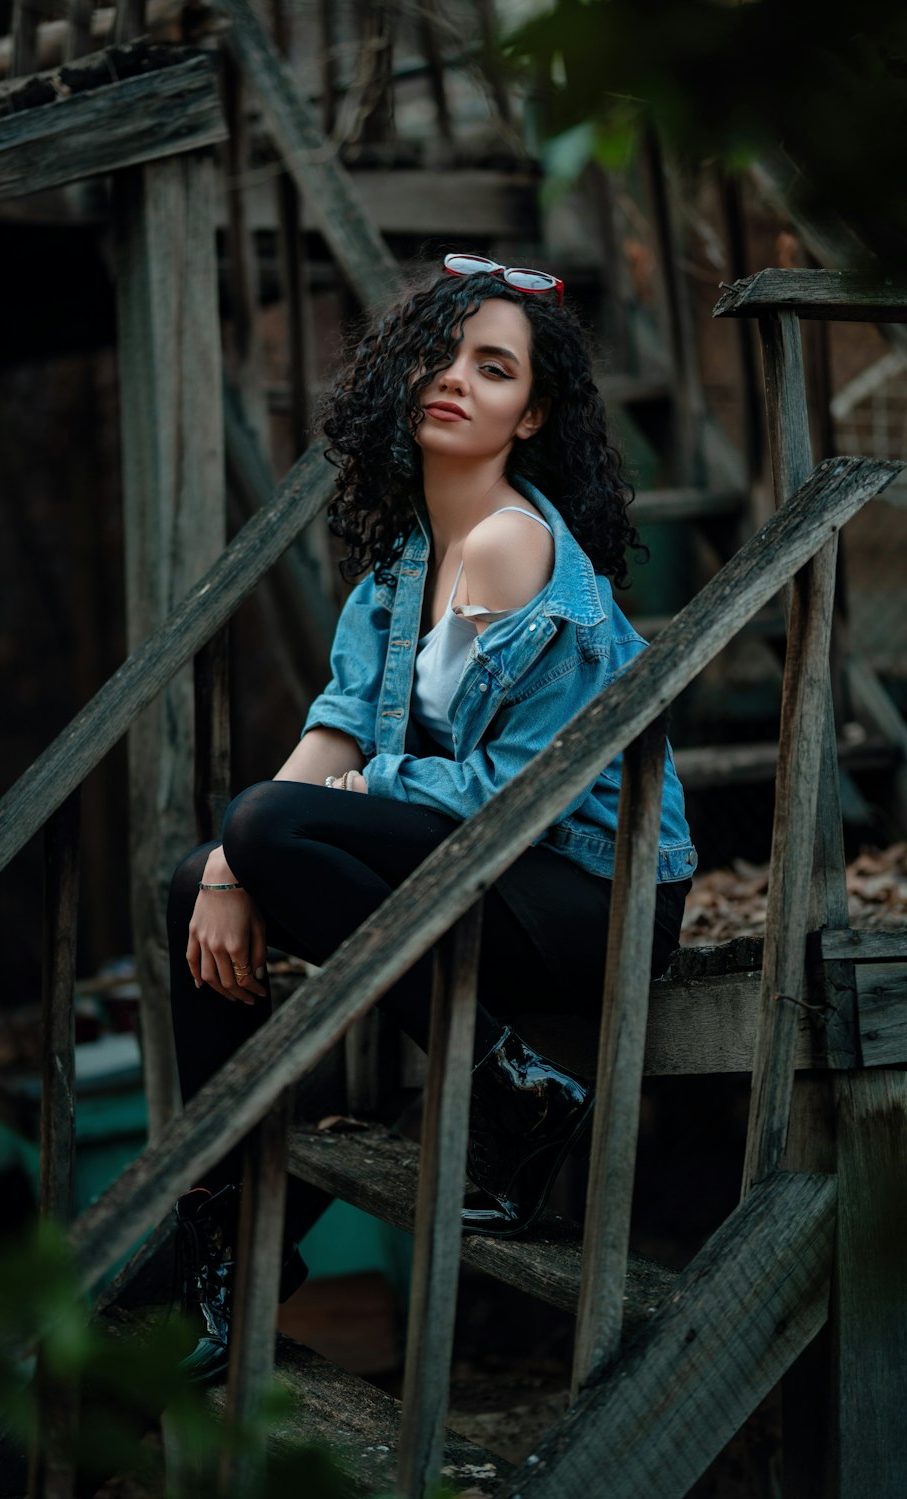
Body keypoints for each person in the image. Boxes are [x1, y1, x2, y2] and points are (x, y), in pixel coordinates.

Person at [166, 253, 696, 1380]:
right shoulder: (404, 563)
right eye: (437, 355)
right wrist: (228, 862)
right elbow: (342, 719)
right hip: (490, 869)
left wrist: (319, 810)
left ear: (529, 411)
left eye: (491, 368)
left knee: (269, 828)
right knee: (205, 874)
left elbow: (518, 788)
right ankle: (213, 1241)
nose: (452, 380)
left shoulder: (514, 546)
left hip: (588, 884)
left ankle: (504, 1082)